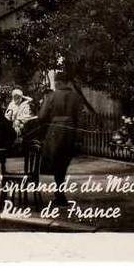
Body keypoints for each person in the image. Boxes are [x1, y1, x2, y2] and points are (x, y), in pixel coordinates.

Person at [37, 73, 83, 204]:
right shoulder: (76, 97)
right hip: (70, 132)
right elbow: (80, 120)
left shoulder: (51, 96)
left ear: (58, 82)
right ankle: (59, 193)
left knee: (56, 162)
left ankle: (59, 193)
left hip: (55, 131)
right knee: (63, 163)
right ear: (67, 82)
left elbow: (41, 116)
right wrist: (79, 139)